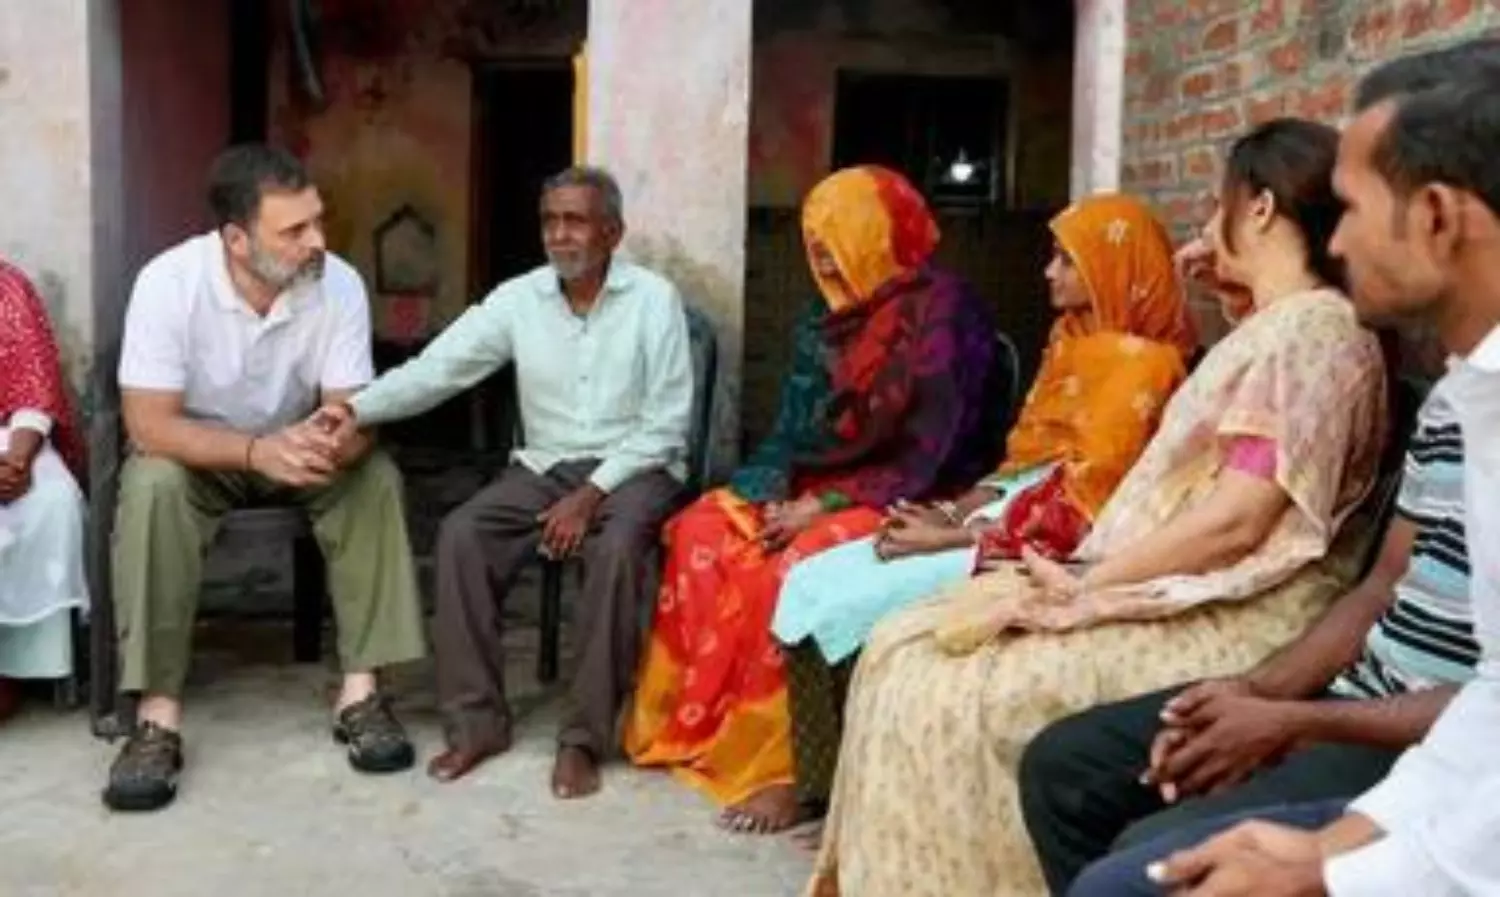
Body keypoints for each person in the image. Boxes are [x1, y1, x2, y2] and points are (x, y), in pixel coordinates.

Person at [805, 118, 1389, 897]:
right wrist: (1230, 285)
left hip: (1249, 601)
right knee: (903, 644)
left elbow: (1238, 519)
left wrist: (1092, 582)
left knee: (948, 691)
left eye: (1218, 205)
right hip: (1179, 567)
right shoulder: (1285, 328)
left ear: (1259, 209)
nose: (1203, 228)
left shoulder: (1313, 333)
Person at [1064, 43, 1500, 897]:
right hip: (1429, 768)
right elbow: (1488, 695)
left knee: (1131, 877)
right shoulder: (1471, 392)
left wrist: (1347, 870)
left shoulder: (1336, 340)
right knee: (1096, 802)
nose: (1335, 240)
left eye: (1349, 210)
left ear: (1440, 217)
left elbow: (1240, 509)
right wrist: (1336, 846)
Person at [771, 192, 1197, 819]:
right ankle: (821, 789)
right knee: (812, 580)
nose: (1049, 273)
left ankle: (853, 802)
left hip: (1055, 539)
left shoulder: (1147, 365)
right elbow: (1021, 465)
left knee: (855, 605)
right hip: (1004, 510)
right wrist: (949, 513)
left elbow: (1089, 499)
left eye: (1066, 261)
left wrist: (954, 540)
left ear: (1114, 265)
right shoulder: (1069, 340)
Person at [623, 165, 1006, 834]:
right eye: (811, 236)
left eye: (833, 232)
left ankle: (783, 767)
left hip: (915, 491)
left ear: (877, 230)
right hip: (813, 488)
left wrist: (823, 505)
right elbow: (791, 429)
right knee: (704, 529)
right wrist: (766, 494)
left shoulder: (946, 310)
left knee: (791, 565)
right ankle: (701, 725)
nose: (820, 250)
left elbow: (933, 449)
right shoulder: (820, 316)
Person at [317, 166, 692, 800]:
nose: (560, 235)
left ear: (613, 231)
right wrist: (357, 409)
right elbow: (440, 368)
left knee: (616, 551)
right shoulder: (520, 299)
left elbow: (666, 424)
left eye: (575, 221)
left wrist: (592, 493)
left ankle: (582, 740)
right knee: (464, 534)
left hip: (636, 468)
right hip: (544, 466)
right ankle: (477, 725)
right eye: (550, 221)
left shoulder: (655, 300)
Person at [1021, 378, 1473, 894]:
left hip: (1437, 740)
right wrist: (1254, 694)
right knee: (1063, 769)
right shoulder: (1456, 400)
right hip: (1361, 693)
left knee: (1147, 868)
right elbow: (1382, 585)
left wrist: (1300, 723)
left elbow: (1487, 711)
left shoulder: (1314, 344)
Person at [103, 145, 427, 813]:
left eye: (317, 221)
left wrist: (332, 436)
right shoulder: (168, 283)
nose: (318, 242)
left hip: (302, 445)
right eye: (295, 230)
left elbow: (353, 401)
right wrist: (254, 451)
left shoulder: (336, 282)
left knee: (374, 477)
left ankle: (361, 694)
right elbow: (148, 424)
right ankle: (156, 718)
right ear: (236, 239)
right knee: (151, 486)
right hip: (201, 453)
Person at [0, 260, 89, 724]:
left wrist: (17, 459)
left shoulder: (6, 285)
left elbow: (33, 388)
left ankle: (24, 666)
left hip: (8, 436)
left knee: (51, 500)